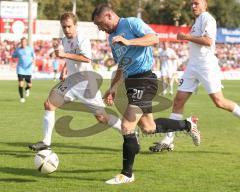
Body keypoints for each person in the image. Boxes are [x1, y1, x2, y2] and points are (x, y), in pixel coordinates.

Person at [92, 4, 200, 184]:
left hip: (145, 80)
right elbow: (122, 65)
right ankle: (187, 125)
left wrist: (129, 41)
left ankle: (126, 174)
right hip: (131, 83)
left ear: (109, 16)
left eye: (101, 24)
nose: (100, 29)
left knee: (127, 126)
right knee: (148, 127)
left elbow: (154, 38)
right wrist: (113, 87)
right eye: (97, 26)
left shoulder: (132, 23)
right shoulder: (112, 37)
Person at [149, 0, 240, 152]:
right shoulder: (198, 20)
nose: (193, 6)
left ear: (205, 4)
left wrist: (186, 36)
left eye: (196, 3)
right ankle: (169, 140)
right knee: (178, 101)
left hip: (206, 65)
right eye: (192, 4)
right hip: (193, 65)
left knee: (219, 101)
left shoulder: (207, 18)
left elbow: (208, 41)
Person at [29, 12, 123, 151]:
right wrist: (64, 69)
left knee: (102, 118)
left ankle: (128, 132)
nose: (66, 30)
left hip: (86, 83)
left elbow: (86, 59)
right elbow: (70, 59)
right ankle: (46, 142)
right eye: (64, 27)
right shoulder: (64, 40)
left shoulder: (82, 38)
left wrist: (64, 55)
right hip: (71, 82)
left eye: (69, 26)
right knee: (49, 104)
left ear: (75, 25)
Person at [12, 37, 35, 103]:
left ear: (26, 42)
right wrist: (13, 55)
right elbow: (14, 56)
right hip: (20, 69)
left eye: (24, 42)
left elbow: (34, 57)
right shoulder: (18, 49)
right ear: (21, 42)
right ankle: (22, 97)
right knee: (20, 84)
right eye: (22, 42)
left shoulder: (30, 49)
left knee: (30, 85)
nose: (23, 43)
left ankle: (27, 89)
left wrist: (33, 62)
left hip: (28, 69)